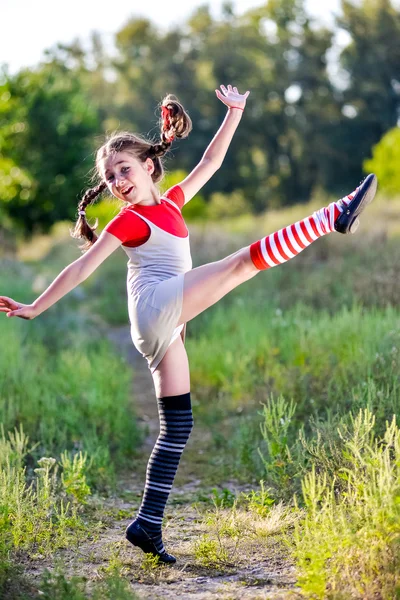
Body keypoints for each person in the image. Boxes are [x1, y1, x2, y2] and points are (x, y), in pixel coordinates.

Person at [0, 84, 377, 564]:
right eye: (111, 176)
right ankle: (334, 215)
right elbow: (81, 268)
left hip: (162, 324)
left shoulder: (172, 203)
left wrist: (235, 112)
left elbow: (212, 163)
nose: (117, 181)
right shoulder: (128, 220)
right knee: (242, 264)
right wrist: (36, 305)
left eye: (125, 169)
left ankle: (147, 524)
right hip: (156, 306)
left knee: (178, 426)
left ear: (149, 167)